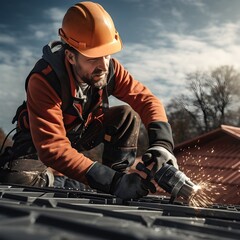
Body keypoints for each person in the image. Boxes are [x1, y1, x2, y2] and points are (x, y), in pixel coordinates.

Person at [0, 1, 178, 199]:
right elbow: (53, 148)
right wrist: (110, 182)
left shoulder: (109, 69)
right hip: (39, 141)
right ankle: (71, 181)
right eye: (93, 58)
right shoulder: (44, 79)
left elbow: (146, 100)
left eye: (107, 55)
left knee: (126, 116)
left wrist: (162, 143)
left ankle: (120, 177)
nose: (103, 65)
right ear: (70, 57)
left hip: (81, 130)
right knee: (15, 181)